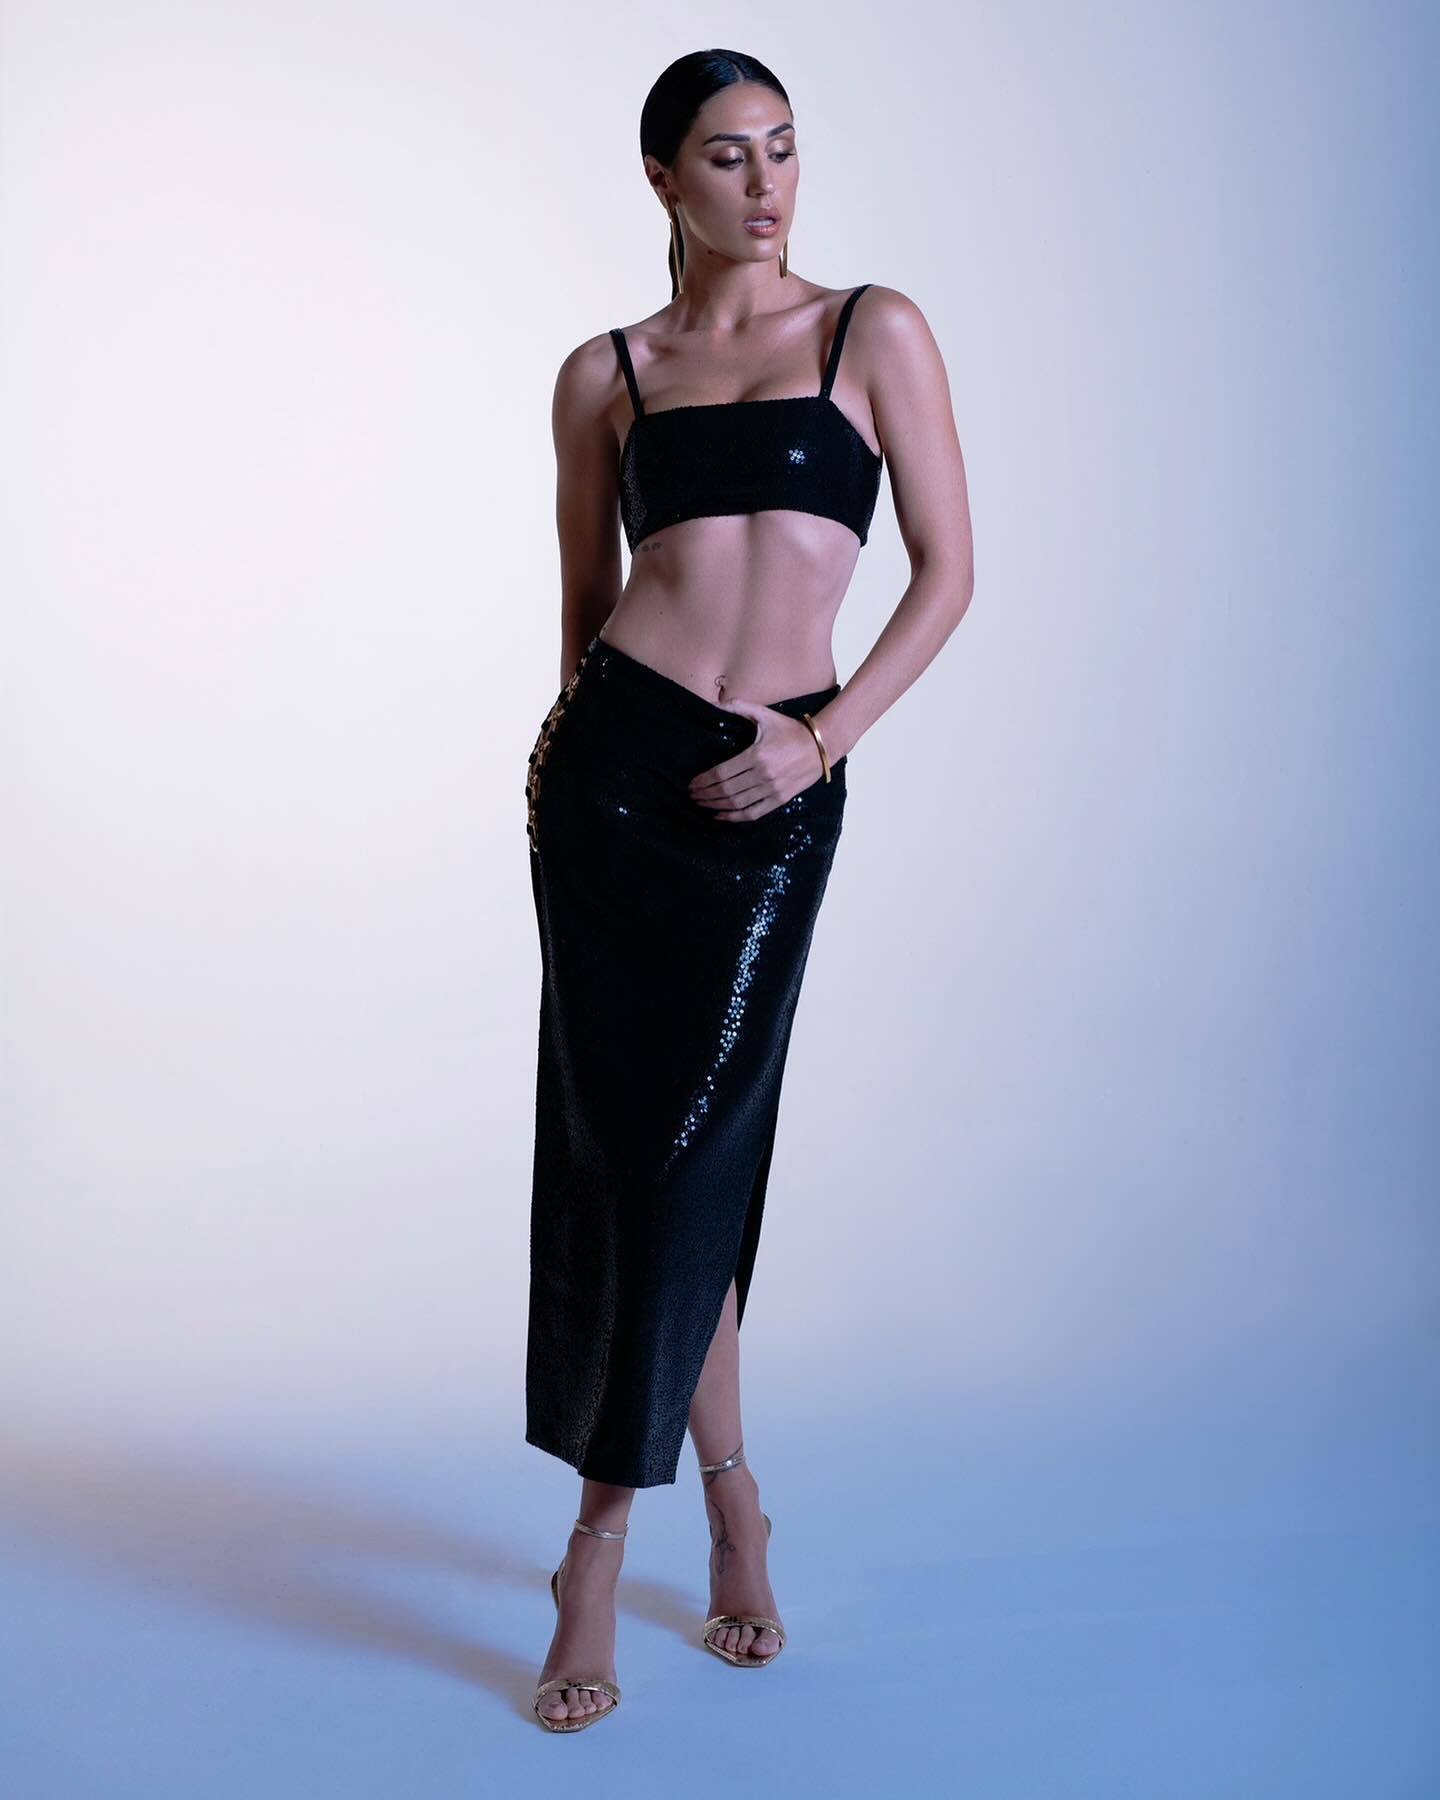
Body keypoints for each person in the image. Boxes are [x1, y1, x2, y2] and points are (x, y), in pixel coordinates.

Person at [524, 48, 974, 1731]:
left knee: (692, 1155)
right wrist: (567, 773)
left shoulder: (872, 332)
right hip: (612, 785)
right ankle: (670, 1522)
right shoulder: (607, 375)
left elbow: (949, 574)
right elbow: (581, 607)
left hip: (776, 781)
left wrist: (821, 742)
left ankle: (635, 1532)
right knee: (632, 1158)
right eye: (728, 156)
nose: (768, 184)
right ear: (664, 179)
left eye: (783, 149)